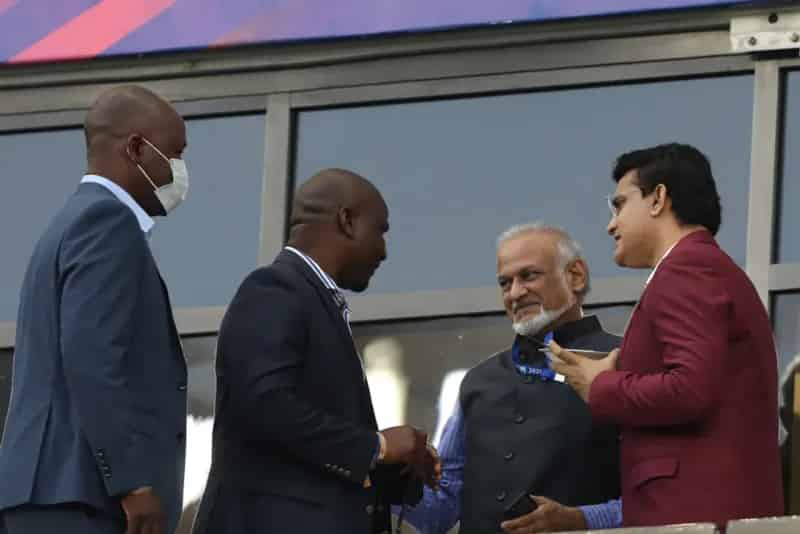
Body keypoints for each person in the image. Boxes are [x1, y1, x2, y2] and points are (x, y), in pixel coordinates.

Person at [192, 168, 440, 534]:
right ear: (347, 221)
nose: (384, 251)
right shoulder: (274, 289)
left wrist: (397, 465)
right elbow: (265, 406)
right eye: (380, 231)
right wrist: (377, 447)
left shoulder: (313, 300)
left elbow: (306, 452)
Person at [550, 143, 784, 527]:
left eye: (620, 205)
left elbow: (689, 388)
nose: (611, 225)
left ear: (658, 198)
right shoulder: (704, 266)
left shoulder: (686, 268)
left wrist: (602, 386)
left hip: (694, 515)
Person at [0, 86, 190, 534]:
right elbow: (92, 355)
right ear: (137, 149)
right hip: (78, 497)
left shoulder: (72, 221)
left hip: (52, 494)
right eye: (175, 154)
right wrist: (132, 481)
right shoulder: (107, 222)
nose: (180, 170)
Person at [403, 223, 623, 534]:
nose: (515, 293)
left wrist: (580, 519)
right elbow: (441, 509)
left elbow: (663, 497)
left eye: (529, 276)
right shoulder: (479, 381)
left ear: (575, 276)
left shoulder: (623, 362)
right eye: (505, 283)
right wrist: (383, 472)